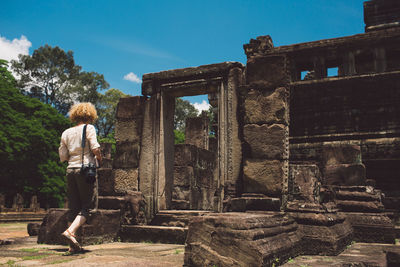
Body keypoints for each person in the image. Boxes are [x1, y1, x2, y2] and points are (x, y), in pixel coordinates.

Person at [59, 102, 102, 254]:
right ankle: (70, 232)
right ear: (90, 115)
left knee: (74, 207)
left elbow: (62, 156)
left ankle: (72, 246)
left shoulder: (66, 132)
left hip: (70, 170)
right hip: (86, 171)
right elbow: (95, 148)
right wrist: (99, 158)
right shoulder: (89, 128)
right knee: (89, 207)